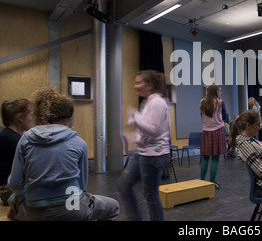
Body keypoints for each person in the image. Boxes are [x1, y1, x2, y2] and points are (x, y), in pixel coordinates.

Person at [8, 88, 120, 221]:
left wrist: (26, 198)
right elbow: (81, 186)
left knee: (12, 200)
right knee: (113, 207)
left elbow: (14, 183)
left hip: (33, 211)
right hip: (71, 209)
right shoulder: (79, 143)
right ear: (70, 117)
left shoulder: (26, 139)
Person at [118, 70, 171, 221]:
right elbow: (145, 130)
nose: (135, 86)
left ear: (149, 85)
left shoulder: (157, 103)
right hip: (143, 153)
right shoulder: (148, 103)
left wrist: (135, 119)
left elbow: (154, 131)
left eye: (138, 82)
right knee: (123, 185)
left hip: (153, 155)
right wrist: (134, 135)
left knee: (150, 195)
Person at [0, 99, 34, 205]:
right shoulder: (13, 140)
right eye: (31, 115)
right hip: (7, 191)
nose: (33, 118)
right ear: (20, 117)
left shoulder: (10, 135)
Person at [199, 84, 227, 188]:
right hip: (217, 131)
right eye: (219, 90)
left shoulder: (202, 102)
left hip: (206, 132)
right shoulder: (220, 102)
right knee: (215, 159)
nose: (220, 92)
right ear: (215, 91)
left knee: (205, 158)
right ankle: (212, 182)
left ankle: (201, 181)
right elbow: (224, 115)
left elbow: (201, 116)